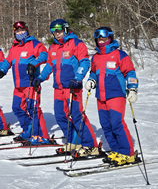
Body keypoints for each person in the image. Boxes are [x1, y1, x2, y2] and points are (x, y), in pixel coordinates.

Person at [33, 19, 99, 156]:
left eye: (59, 30)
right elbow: (50, 65)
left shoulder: (76, 44)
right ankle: (73, 141)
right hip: (58, 88)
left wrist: (78, 78)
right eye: (54, 32)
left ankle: (90, 144)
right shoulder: (53, 47)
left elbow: (85, 62)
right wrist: (40, 77)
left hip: (72, 87)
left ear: (66, 29)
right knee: (60, 115)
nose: (57, 34)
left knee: (76, 115)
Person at [85, 26, 138, 165]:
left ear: (111, 38)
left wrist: (132, 88)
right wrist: (91, 80)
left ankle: (128, 153)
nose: (101, 40)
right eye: (99, 38)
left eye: (105, 37)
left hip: (116, 95)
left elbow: (130, 73)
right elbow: (94, 72)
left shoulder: (120, 55)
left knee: (116, 124)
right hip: (100, 97)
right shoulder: (96, 57)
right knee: (106, 125)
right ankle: (116, 150)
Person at [0, 21, 49, 145]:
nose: (20, 33)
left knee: (33, 109)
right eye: (17, 31)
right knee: (17, 108)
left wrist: (33, 64)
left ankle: (42, 135)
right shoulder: (14, 47)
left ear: (27, 30)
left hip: (30, 83)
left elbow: (44, 55)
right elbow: (7, 61)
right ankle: (29, 130)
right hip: (18, 85)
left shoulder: (34, 44)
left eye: (22, 30)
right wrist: (0, 71)